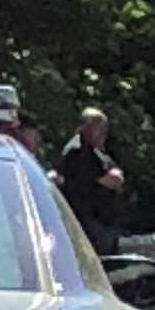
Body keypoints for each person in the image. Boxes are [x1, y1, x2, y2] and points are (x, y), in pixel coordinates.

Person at [51, 104, 127, 255]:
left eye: (104, 129)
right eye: (98, 128)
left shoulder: (96, 151)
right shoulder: (78, 152)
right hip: (88, 225)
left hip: (101, 223)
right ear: (84, 128)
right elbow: (104, 180)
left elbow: (116, 176)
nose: (102, 134)